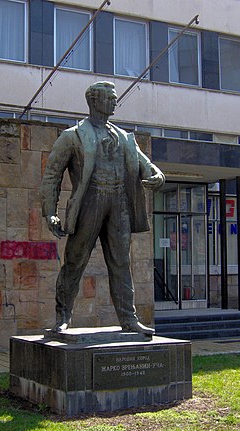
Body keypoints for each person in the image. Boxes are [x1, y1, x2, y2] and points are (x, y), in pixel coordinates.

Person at [41, 81, 165, 334]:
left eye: (115, 98)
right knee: (75, 261)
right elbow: (52, 175)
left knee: (121, 262)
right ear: (94, 101)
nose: (114, 102)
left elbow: (146, 164)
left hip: (119, 204)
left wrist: (157, 175)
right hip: (89, 201)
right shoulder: (73, 135)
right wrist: (50, 212)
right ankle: (62, 317)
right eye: (109, 98)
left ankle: (128, 319)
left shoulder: (124, 137)